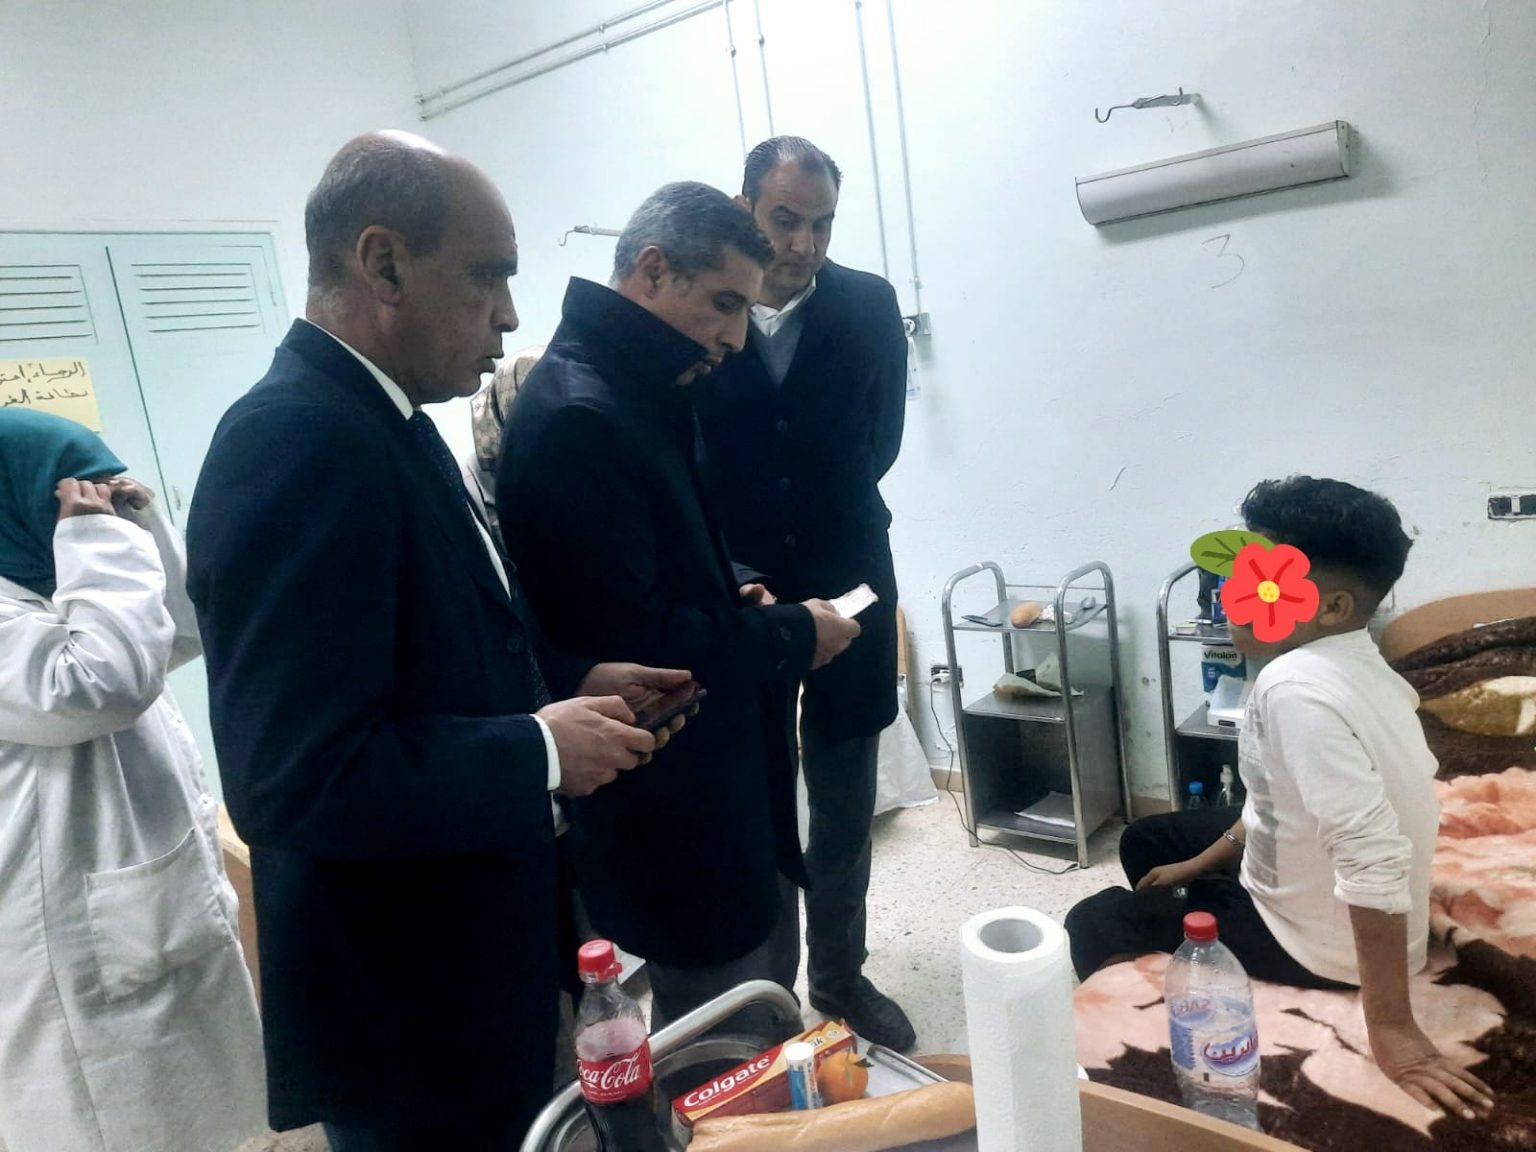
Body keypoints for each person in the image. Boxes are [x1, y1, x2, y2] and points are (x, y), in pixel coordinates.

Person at [186, 131, 691, 1151]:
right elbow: (290, 778)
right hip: (407, 1008)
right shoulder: (295, 441)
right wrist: (540, 749)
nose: (509, 313)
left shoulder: (394, 422)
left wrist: (566, 683)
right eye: (487, 276)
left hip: (478, 958)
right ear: (383, 265)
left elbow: (424, 654)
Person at [497, 181, 862, 1036]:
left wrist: (730, 584)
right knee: (722, 1035)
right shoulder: (582, 413)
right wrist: (792, 632)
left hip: (714, 771)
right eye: (725, 304)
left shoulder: (637, 387)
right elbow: (640, 644)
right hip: (676, 799)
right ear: (654, 271)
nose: (736, 337)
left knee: (755, 993)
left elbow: (653, 560)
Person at [1064, 476, 1495, 1121]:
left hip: (1320, 948)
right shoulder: (1356, 660)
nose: (1231, 594)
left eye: (1264, 578)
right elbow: (1271, 798)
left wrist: (1393, 1028)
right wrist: (1196, 864)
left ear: (1333, 606)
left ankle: (1162, 1003)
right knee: (1148, 841)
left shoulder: (1295, 689)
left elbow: (1372, 857)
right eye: (1239, 572)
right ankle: (1195, 898)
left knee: (1095, 918)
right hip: (1307, 876)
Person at [696, 135, 913, 1049]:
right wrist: (739, 573)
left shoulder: (868, 305)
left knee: (845, 790)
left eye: (821, 224)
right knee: (755, 794)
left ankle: (839, 975)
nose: (803, 244)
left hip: (852, 576)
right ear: (743, 207)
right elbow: (687, 460)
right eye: (784, 220)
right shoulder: (704, 308)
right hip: (742, 592)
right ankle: (770, 993)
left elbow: (881, 444)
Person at [0, 408, 265, 1152]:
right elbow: (98, 683)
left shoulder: (58, 584)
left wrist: (136, 528)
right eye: (77, 492)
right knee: (116, 1123)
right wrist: (95, 542)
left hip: (142, 909)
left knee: (199, 1108)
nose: (98, 504)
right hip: (72, 951)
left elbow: (176, 632)